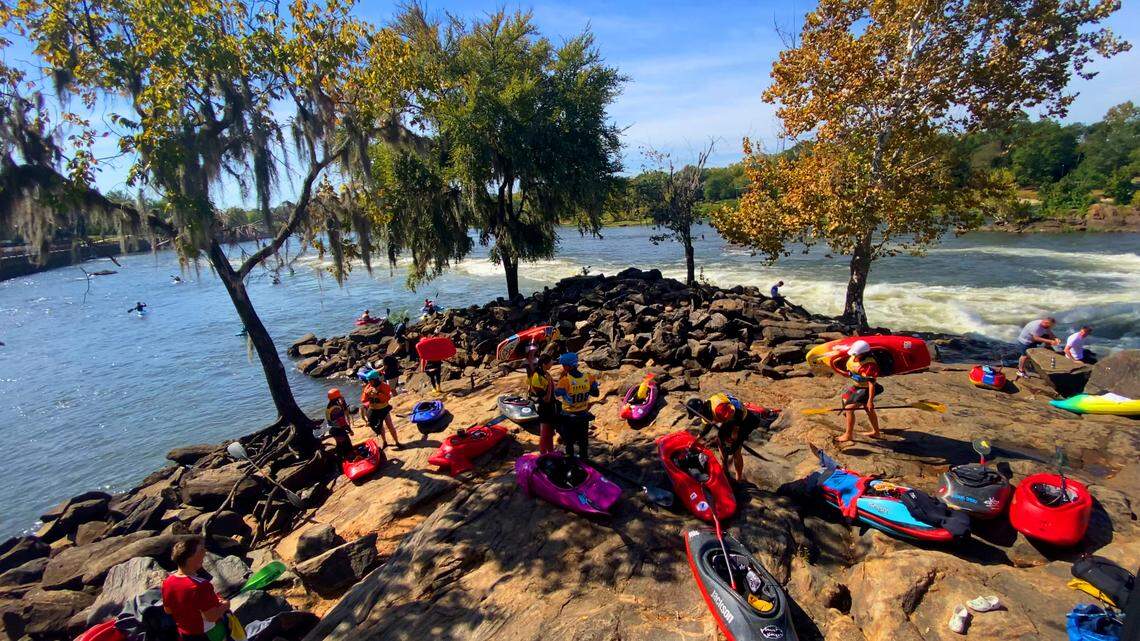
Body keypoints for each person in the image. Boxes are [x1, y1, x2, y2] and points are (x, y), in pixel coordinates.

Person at [696, 393, 778, 483]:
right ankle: (725, 470)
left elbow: (738, 413)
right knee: (720, 439)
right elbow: (705, 428)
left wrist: (735, 432)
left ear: (700, 410)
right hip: (731, 420)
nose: (698, 416)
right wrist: (695, 441)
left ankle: (738, 479)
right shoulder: (706, 410)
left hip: (744, 421)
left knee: (736, 449)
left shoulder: (718, 408)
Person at [161, 536, 229, 641]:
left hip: (184, 635)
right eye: (201, 550)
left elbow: (168, 610)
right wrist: (225, 605)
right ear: (190, 559)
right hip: (208, 634)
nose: (205, 552)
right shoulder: (201, 586)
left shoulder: (167, 582)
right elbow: (211, 617)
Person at [836, 339, 882, 444]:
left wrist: (870, 400)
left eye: (857, 354)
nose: (854, 356)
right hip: (857, 386)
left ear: (864, 354)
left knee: (849, 408)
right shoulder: (853, 356)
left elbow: (871, 384)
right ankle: (876, 432)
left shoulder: (869, 365)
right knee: (846, 398)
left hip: (867, 388)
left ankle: (848, 435)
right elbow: (850, 371)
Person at [554, 352, 598, 459]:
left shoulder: (565, 381)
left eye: (563, 365)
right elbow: (596, 393)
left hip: (568, 416)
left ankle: (570, 461)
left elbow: (557, 393)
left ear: (566, 366)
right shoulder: (589, 378)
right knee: (583, 442)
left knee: (569, 443)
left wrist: (561, 378)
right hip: (583, 415)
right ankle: (585, 461)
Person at [361, 371, 402, 449]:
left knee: (390, 425)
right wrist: (367, 393)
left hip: (384, 409)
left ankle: (397, 442)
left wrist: (377, 394)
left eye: (370, 380)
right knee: (380, 427)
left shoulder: (384, 386)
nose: (369, 382)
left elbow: (387, 398)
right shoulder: (368, 387)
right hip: (374, 410)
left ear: (376, 379)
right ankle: (384, 442)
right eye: (368, 380)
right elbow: (363, 400)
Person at [527, 353, 557, 454]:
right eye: (550, 362)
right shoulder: (536, 377)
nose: (552, 363)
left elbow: (554, 390)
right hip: (544, 407)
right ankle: (543, 454)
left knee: (550, 433)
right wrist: (549, 384)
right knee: (544, 433)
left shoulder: (546, 374)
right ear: (544, 364)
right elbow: (546, 399)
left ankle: (551, 452)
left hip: (551, 407)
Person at [324, 388, 355, 459]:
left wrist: (343, 401)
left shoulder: (329, 406)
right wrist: (350, 430)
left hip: (333, 430)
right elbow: (342, 422)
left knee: (340, 445)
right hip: (339, 430)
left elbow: (343, 409)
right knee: (347, 445)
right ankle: (350, 459)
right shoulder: (336, 409)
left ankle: (340, 458)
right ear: (337, 397)